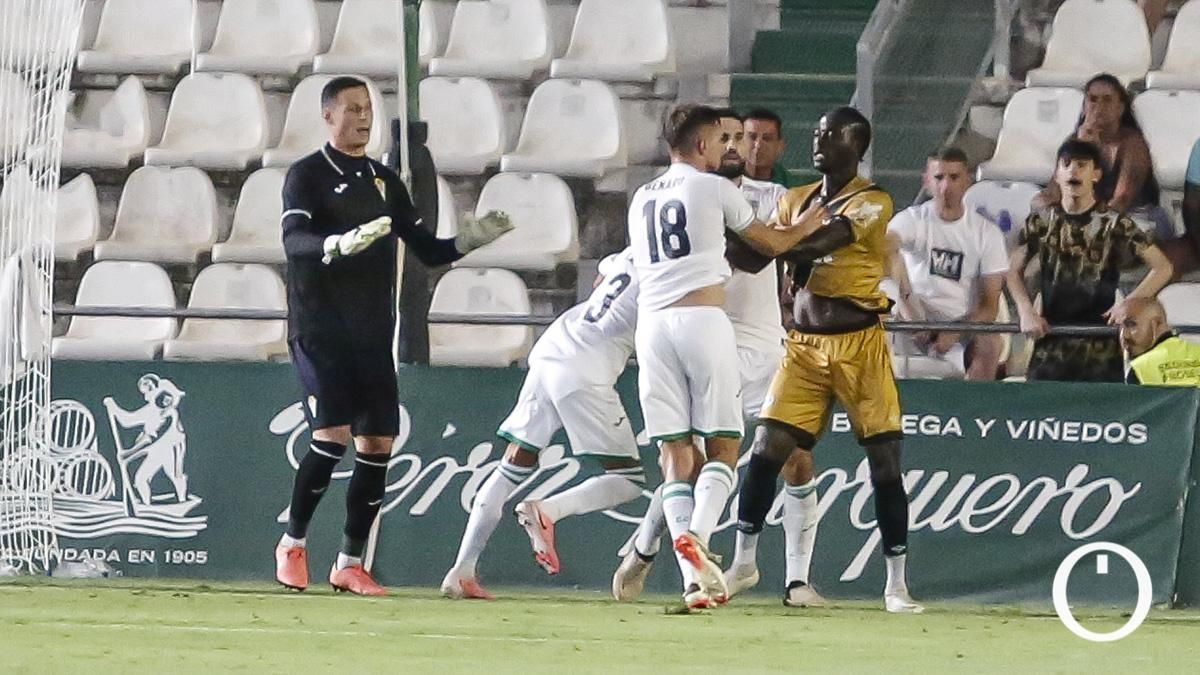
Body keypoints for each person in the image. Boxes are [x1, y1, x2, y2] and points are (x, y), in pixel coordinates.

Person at [274, 76, 513, 596]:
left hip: (371, 330)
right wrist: (336, 244)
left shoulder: (384, 180)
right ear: (328, 115)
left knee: (377, 441)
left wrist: (470, 239)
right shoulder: (307, 175)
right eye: (353, 109)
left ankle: (349, 562)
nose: (364, 117)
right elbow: (293, 239)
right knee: (331, 435)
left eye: (368, 109)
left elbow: (427, 249)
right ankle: (292, 544)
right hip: (320, 326)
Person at [611, 110, 826, 608]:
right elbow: (768, 245)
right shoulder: (715, 190)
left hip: (654, 328)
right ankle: (700, 541)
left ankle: (692, 578)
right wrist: (811, 224)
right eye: (724, 138)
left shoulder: (642, 197)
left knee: (676, 457)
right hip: (707, 325)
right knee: (723, 449)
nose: (729, 146)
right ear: (705, 143)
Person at [731, 106, 923, 614]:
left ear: (856, 146)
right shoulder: (794, 199)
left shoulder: (873, 201)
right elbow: (754, 257)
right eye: (816, 132)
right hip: (803, 343)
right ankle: (743, 564)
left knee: (884, 461)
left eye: (832, 134)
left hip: (860, 342)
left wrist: (782, 245)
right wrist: (722, 234)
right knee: (767, 446)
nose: (820, 140)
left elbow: (824, 240)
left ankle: (896, 585)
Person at [440, 249, 645, 600]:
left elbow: (602, 274)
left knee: (511, 467)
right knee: (630, 481)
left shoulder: (633, 253)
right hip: (586, 367)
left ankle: (462, 570)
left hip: (554, 345)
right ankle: (549, 510)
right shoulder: (671, 270)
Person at [1008, 140, 1173, 383]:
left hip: (1101, 344)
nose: (1074, 171)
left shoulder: (1115, 223)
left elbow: (1163, 267)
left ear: (1096, 174)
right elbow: (1011, 270)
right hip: (1051, 339)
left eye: (1082, 165)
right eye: (1067, 165)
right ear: (1056, 174)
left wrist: (1128, 306)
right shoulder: (1040, 221)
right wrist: (1025, 310)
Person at [888, 147, 1008, 380]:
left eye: (954, 178)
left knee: (990, 343)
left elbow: (989, 306)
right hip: (907, 319)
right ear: (926, 182)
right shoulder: (911, 219)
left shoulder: (986, 233)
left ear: (967, 181)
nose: (946, 187)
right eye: (939, 177)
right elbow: (885, 246)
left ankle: (974, 412)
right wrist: (912, 314)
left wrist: (955, 331)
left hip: (959, 325)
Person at [1033, 74, 1168, 238]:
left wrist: (1084, 227)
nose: (1099, 107)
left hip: (1134, 220)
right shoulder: (1074, 140)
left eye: (1107, 100)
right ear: (1084, 107)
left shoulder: (1132, 144)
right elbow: (1054, 192)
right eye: (1093, 100)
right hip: (1088, 218)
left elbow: (1122, 200)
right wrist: (1081, 148)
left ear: (1120, 108)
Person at [1122, 297, 1200, 386]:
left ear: (1156, 324)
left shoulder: (1139, 368)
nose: (1125, 335)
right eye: (1120, 327)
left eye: (1131, 325)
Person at [744, 108, 790, 188]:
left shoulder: (792, 188)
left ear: (780, 145)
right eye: (752, 137)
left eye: (767, 138)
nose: (758, 145)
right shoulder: (723, 183)